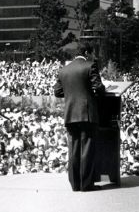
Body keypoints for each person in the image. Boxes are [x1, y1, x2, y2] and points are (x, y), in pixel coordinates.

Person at [54, 47, 105, 192]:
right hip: (87, 113)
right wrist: (103, 90)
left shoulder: (63, 70)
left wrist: (72, 93)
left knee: (73, 149)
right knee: (87, 149)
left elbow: (57, 92)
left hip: (70, 114)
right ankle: (87, 184)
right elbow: (98, 87)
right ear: (87, 53)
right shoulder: (90, 65)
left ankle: (75, 184)